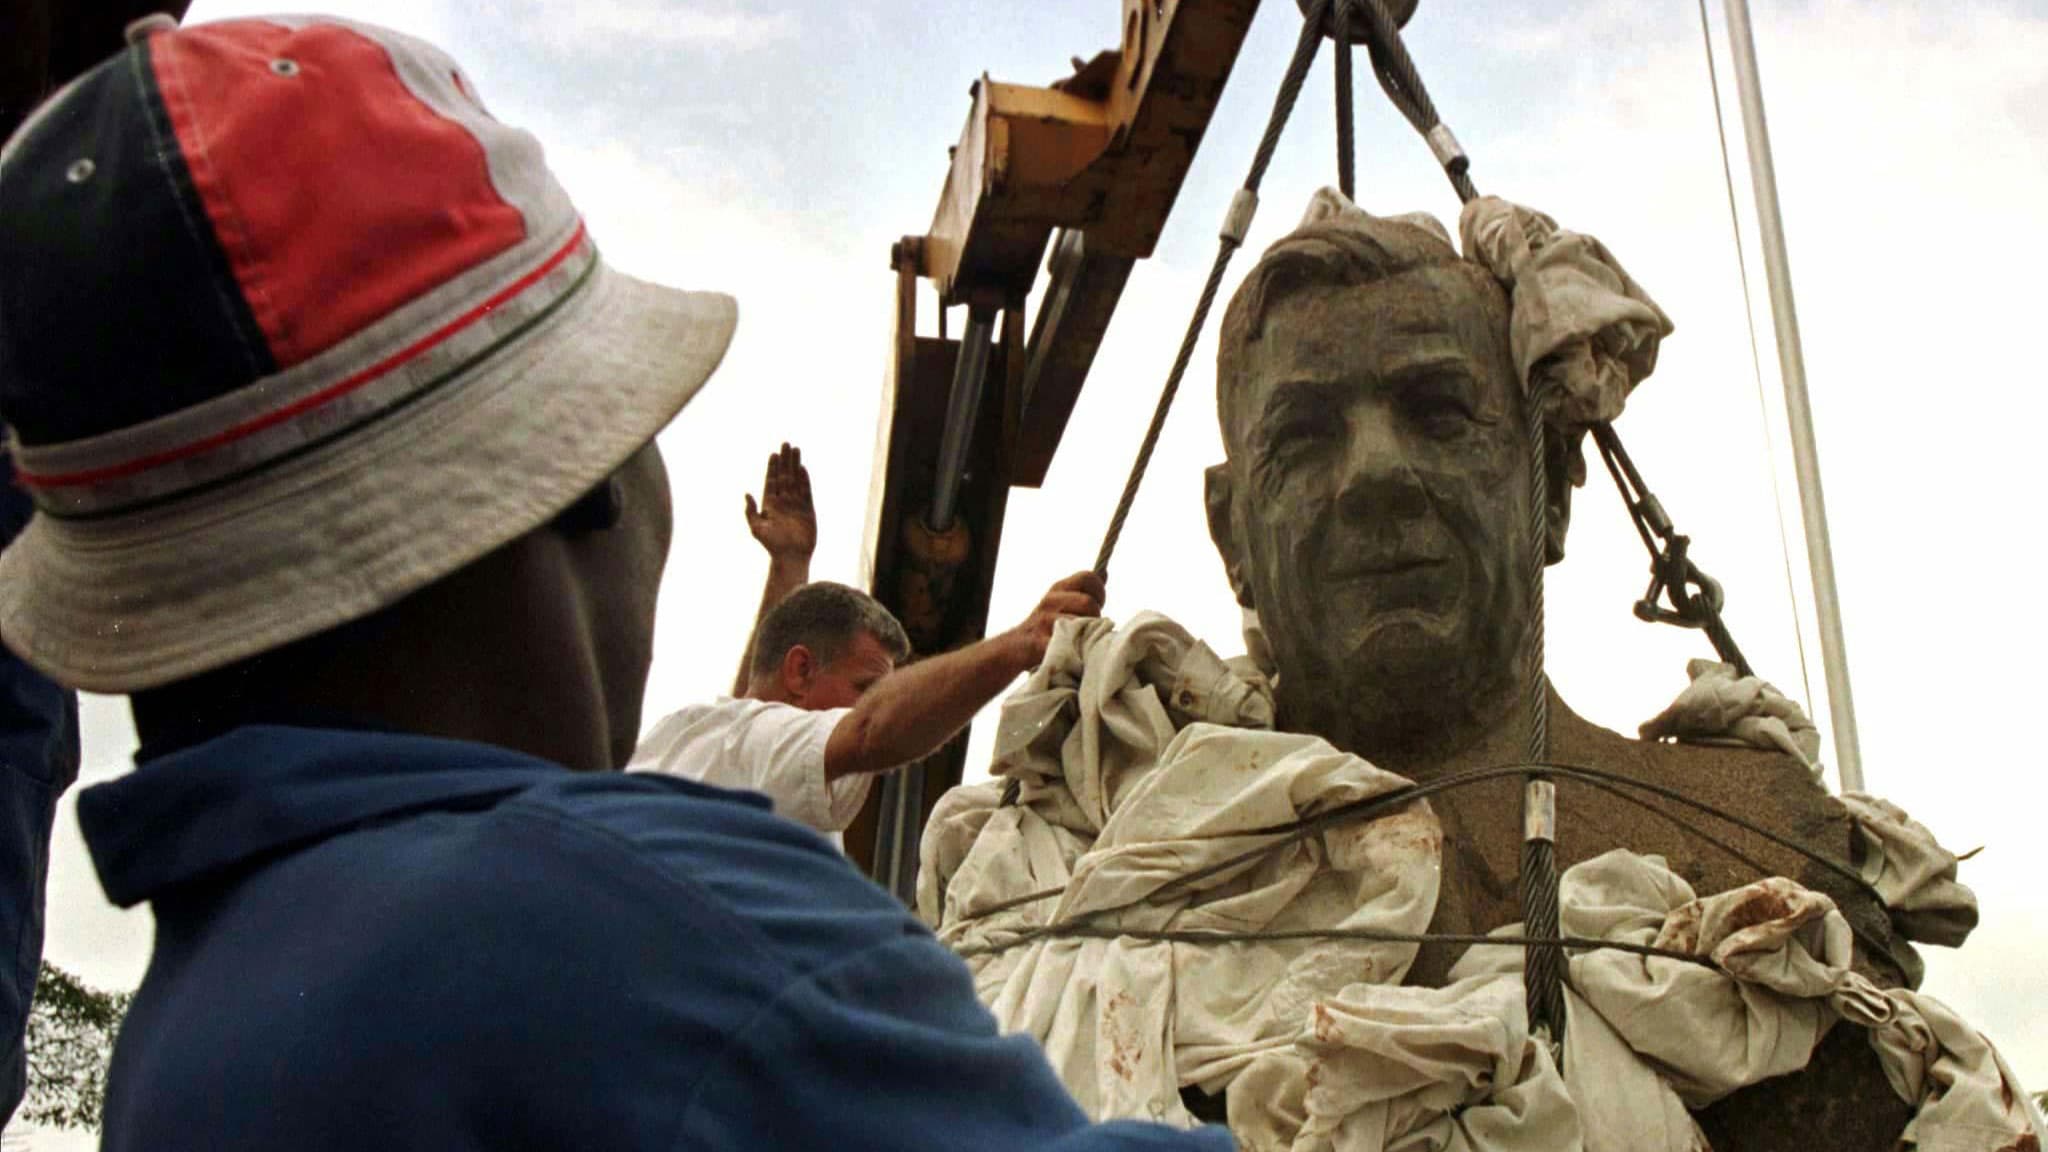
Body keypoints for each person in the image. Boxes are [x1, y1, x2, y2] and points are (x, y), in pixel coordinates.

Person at [0, 15, 1228, 1150]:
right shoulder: (668, 935)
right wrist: (1015, 644)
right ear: (576, 489)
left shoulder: (186, 1038)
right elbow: (842, 738)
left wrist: (789, 568)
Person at [1199, 191, 1907, 1147]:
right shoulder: (1132, 921)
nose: (1374, 474)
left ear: (1554, 489)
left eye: (1439, 413)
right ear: (1231, 534)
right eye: (1305, 436)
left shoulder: (1767, 843)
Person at [636, 447, 1103, 844]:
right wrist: (1023, 642)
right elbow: (867, 731)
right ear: (801, 671)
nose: (873, 704)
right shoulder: (746, 743)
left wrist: (790, 565)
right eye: (865, 688)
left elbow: (757, 700)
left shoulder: (715, 743)